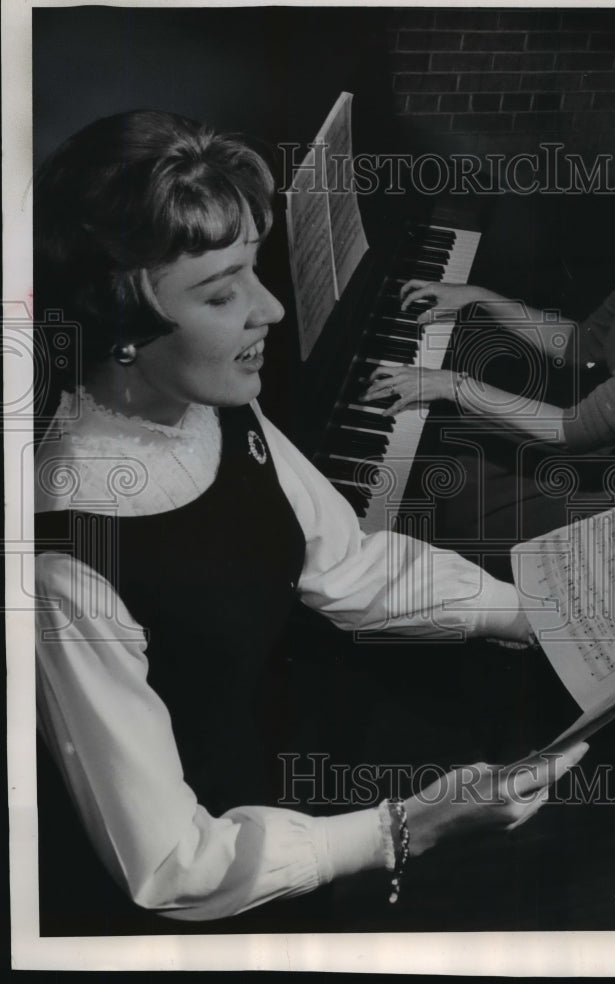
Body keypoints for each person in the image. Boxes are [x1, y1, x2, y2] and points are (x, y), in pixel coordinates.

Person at [32, 110, 586, 933]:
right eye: (222, 292)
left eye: (253, 270)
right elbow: (169, 867)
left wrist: (537, 611)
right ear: (122, 330)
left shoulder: (210, 406)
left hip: (274, 784)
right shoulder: (68, 558)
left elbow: (350, 565)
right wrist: (406, 828)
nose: (272, 310)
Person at [362, 92, 615, 573]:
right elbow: (585, 343)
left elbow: (575, 431)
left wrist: (450, 385)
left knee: (454, 523)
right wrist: (479, 296)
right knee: (454, 474)